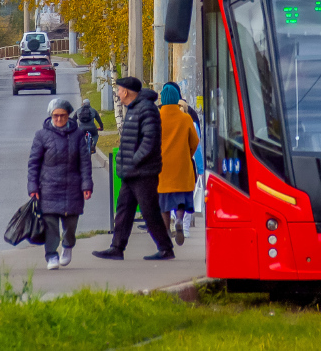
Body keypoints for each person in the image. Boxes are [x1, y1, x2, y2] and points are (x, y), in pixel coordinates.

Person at [94, 76, 173, 261]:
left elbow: (150, 139)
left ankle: (165, 248)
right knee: (124, 209)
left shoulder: (146, 109)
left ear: (126, 92)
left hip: (143, 171)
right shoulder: (133, 108)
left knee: (149, 210)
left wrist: (135, 160)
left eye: (119, 90)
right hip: (132, 172)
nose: (117, 93)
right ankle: (117, 248)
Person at [28, 98, 93, 269]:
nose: (58, 119)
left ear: (68, 115)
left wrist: (87, 185)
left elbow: (85, 162)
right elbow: (33, 163)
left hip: (73, 187)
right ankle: (51, 256)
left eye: (62, 116)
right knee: (51, 226)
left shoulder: (78, 135)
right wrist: (33, 187)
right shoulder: (41, 136)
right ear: (50, 116)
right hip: (48, 188)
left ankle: (68, 246)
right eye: (55, 116)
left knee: (70, 225)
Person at [157, 84, 200, 246]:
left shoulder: (157, 118)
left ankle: (166, 229)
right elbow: (195, 142)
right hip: (182, 167)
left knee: (164, 202)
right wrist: (186, 154)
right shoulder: (185, 118)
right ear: (176, 99)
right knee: (181, 199)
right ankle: (180, 220)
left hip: (162, 169)